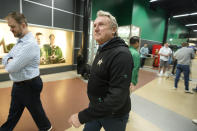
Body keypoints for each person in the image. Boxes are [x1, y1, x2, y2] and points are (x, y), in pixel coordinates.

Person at [68, 10, 133, 131]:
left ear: (113, 30)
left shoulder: (121, 54)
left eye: (101, 24)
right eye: (94, 25)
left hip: (114, 115)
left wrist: (82, 117)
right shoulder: (103, 49)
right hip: (96, 109)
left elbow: (116, 98)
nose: (96, 28)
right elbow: (102, 73)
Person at [0, 12, 52, 131]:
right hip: (19, 84)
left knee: (38, 114)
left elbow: (10, 68)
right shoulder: (20, 42)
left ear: (23, 25)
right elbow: (6, 57)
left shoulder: (30, 45)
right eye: (9, 27)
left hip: (29, 86)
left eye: (12, 26)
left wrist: (10, 61)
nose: (11, 30)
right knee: (13, 114)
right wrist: (9, 59)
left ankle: (47, 128)